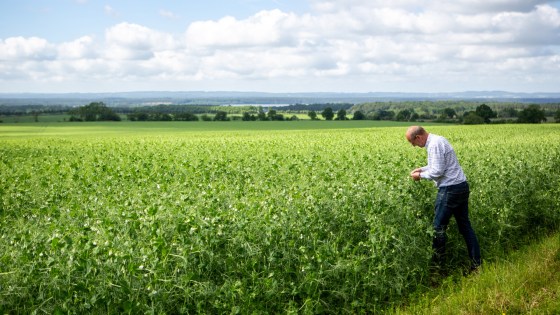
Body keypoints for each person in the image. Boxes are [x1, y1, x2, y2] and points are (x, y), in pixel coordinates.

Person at [405, 126, 481, 272]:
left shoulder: (433, 144)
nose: (414, 146)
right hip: (461, 186)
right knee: (465, 227)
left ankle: (438, 270)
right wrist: (422, 169)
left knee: (437, 229)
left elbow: (437, 171)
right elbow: (437, 164)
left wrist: (419, 176)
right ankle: (476, 265)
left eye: (413, 143)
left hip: (450, 190)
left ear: (418, 137)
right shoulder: (438, 140)